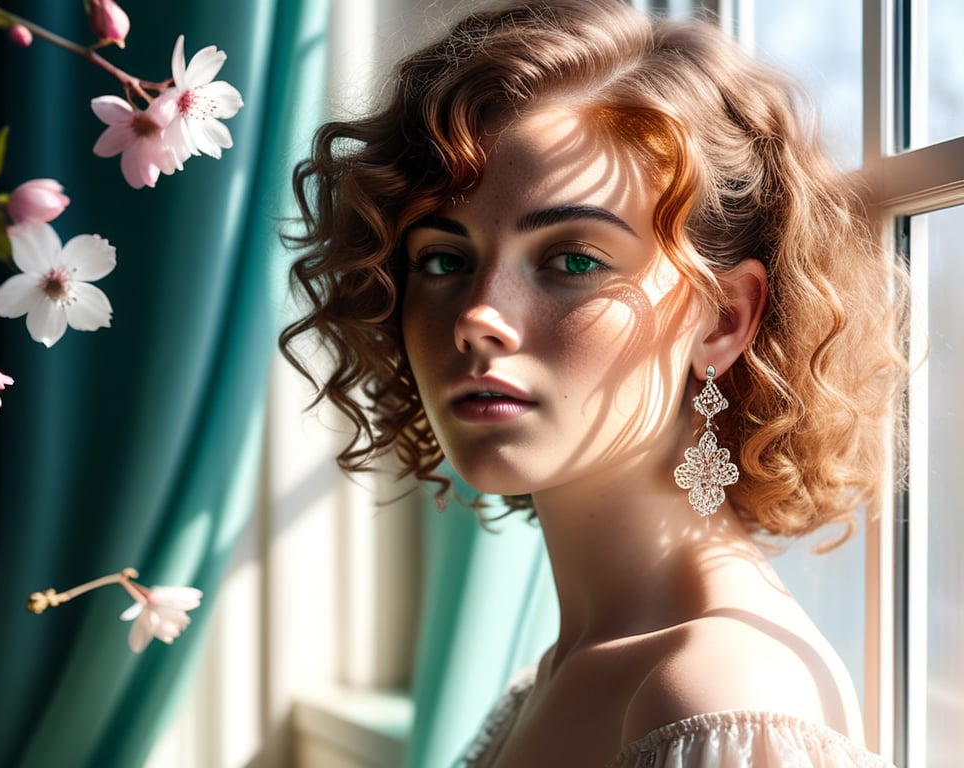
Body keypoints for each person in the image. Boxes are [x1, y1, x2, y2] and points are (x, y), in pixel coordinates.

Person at [279, 1, 908, 765]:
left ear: (723, 320)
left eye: (574, 260)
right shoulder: (569, 669)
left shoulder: (715, 699)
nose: (478, 317)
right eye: (443, 260)